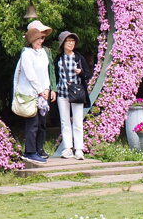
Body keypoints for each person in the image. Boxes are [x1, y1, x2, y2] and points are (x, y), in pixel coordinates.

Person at [16, 20, 57, 163]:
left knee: (41, 123)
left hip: (42, 93)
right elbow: (30, 75)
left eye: (42, 38)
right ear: (32, 39)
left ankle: (38, 150)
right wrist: (40, 90)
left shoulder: (43, 53)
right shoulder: (27, 54)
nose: (41, 40)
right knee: (32, 123)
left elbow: (46, 72)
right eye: (39, 38)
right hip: (32, 94)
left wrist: (47, 89)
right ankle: (30, 151)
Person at [54, 31, 93, 160]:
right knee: (65, 121)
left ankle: (79, 149)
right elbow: (55, 76)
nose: (71, 43)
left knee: (77, 122)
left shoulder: (79, 57)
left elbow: (88, 74)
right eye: (68, 41)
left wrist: (81, 72)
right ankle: (68, 148)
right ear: (63, 43)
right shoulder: (58, 59)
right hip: (62, 93)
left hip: (77, 93)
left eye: (72, 41)